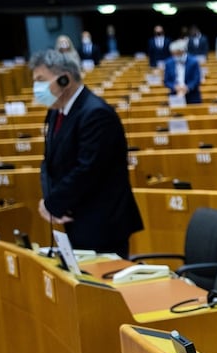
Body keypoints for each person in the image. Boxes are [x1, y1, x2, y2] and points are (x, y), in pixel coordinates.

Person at [30, 49, 143, 257]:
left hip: (102, 223)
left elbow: (88, 169)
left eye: (41, 80)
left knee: (101, 288)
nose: (36, 88)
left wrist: (54, 204)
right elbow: (50, 162)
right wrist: (51, 201)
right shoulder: (56, 112)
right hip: (76, 217)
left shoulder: (96, 113)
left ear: (65, 79)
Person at [163, 40, 203, 104]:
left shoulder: (194, 61)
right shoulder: (168, 63)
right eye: (173, 54)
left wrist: (187, 88)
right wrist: (175, 87)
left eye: (177, 53)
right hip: (175, 95)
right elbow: (166, 81)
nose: (175, 56)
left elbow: (197, 79)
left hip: (192, 96)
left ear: (183, 51)